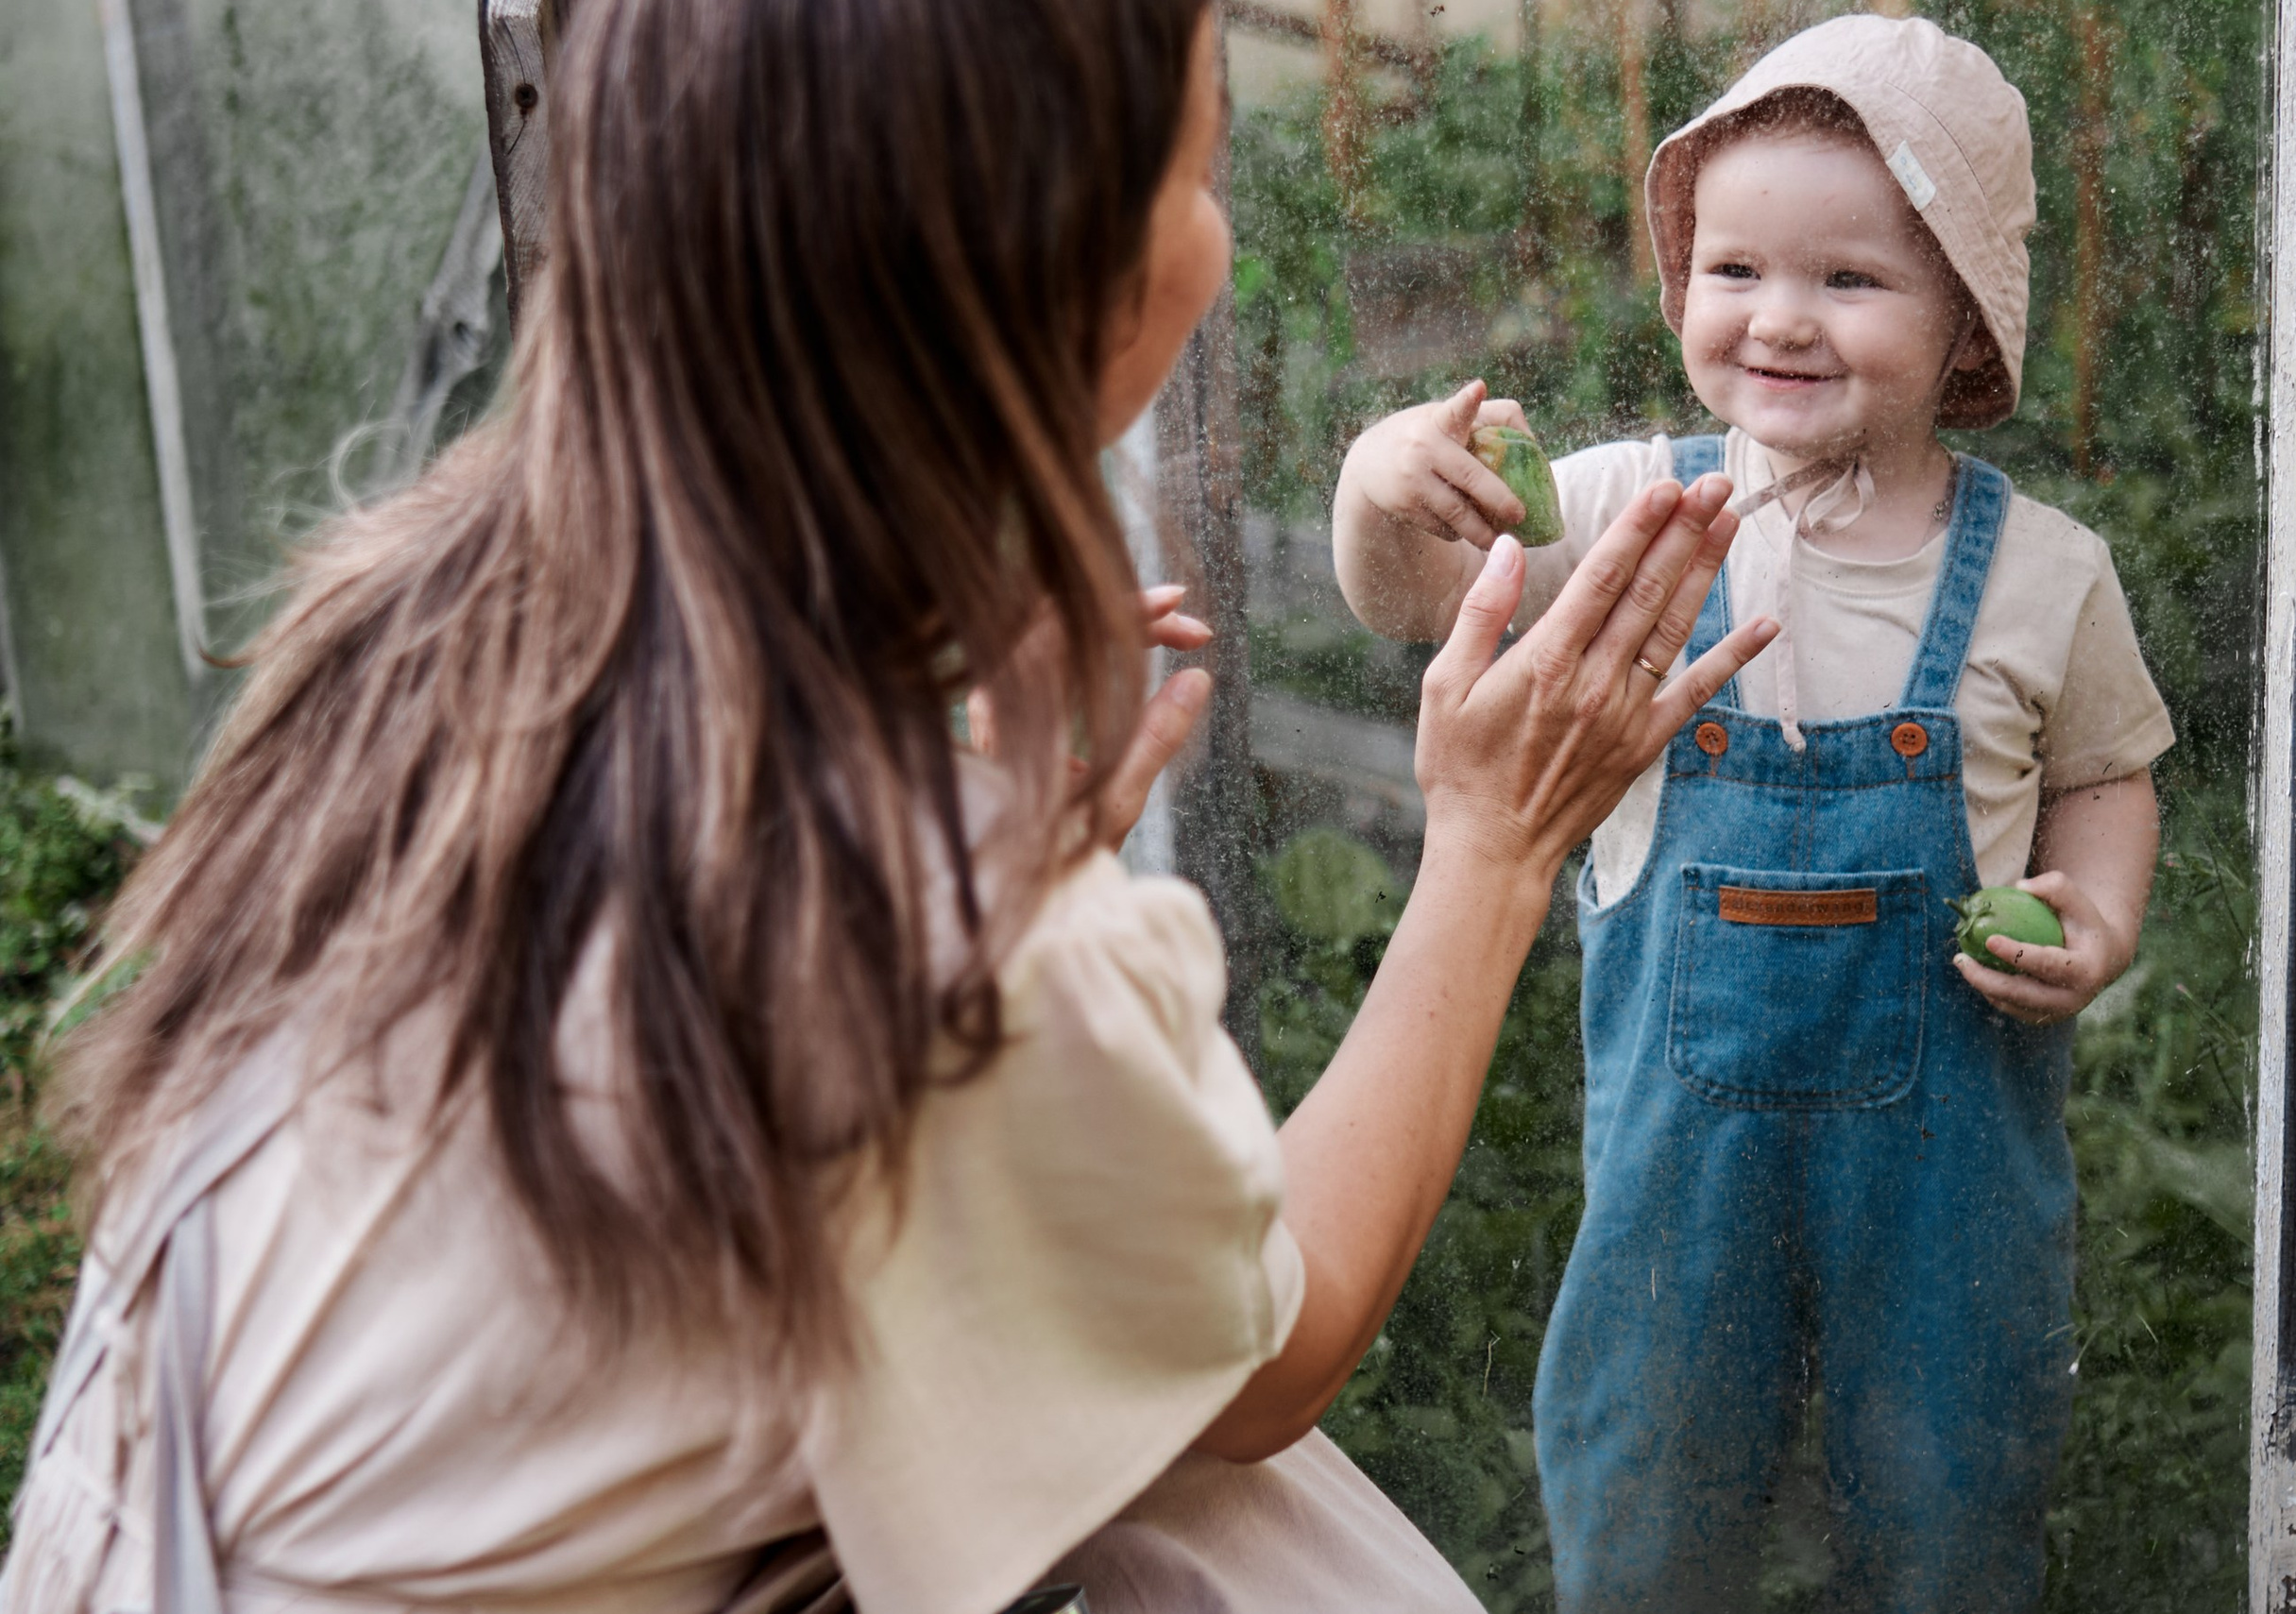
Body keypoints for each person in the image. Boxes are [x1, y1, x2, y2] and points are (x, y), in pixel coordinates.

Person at [0, 3, 1773, 1612]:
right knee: (1246, 1499)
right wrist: (1494, 836)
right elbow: (1270, 1354)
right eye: (1206, 161)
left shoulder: (428, 611)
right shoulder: (915, 926)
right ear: (1068, 279)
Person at [1331, 16, 2173, 1612]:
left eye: (1849, 281)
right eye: (1734, 270)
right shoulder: (1618, 513)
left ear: (1965, 326)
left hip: (1945, 1207)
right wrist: (1386, 483)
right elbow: (1411, 597)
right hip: (1676, 1210)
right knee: (1647, 1498)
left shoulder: (2045, 574)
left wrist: (2101, 911)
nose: (1780, 318)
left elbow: (2101, 778)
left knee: (1951, 1506)